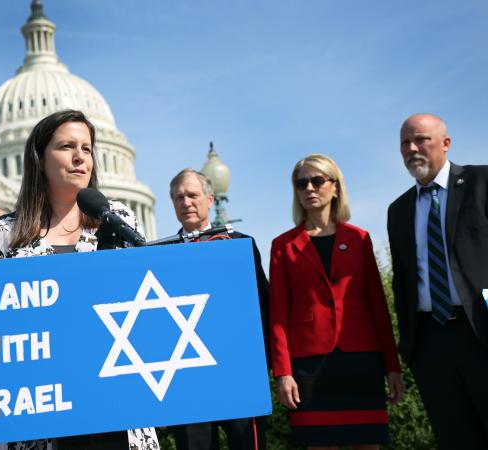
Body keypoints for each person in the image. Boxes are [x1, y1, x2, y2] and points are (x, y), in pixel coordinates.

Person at [0, 109, 160, 450]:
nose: (80, 157)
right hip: (39, 415)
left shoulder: (119, 221)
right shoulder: (1, 235)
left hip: (116, 407)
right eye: (66, 147)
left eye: (86, 148)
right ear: (40, 160)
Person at [270, 154, 403, 449]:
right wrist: (283, 373)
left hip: (361, 359)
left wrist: (392, 367)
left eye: (317, 181)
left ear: (335, 187)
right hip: (309, 363)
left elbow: (378, 307)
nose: (309, 189)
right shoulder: (282, 246)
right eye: (301, 183)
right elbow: (278, 314)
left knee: (367, 443)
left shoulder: (360, 239)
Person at [388, 113, 488, 448]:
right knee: (455, 438)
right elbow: (402, 281)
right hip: (431, 343)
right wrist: (411, 346)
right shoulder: (398, 210)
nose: (412, 148)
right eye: (405, 142)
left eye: (421, 139)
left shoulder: (481, 182)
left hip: (481, 332)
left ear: (446, 143)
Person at [167, 169, 269, 450]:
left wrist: (266, 366)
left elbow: (263, 304)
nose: (186, 202)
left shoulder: (239, 243)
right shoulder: (163, 255)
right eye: (178, 197)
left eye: (192, 195)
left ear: (210, 199)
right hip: (189, 381)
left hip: (238, 372)